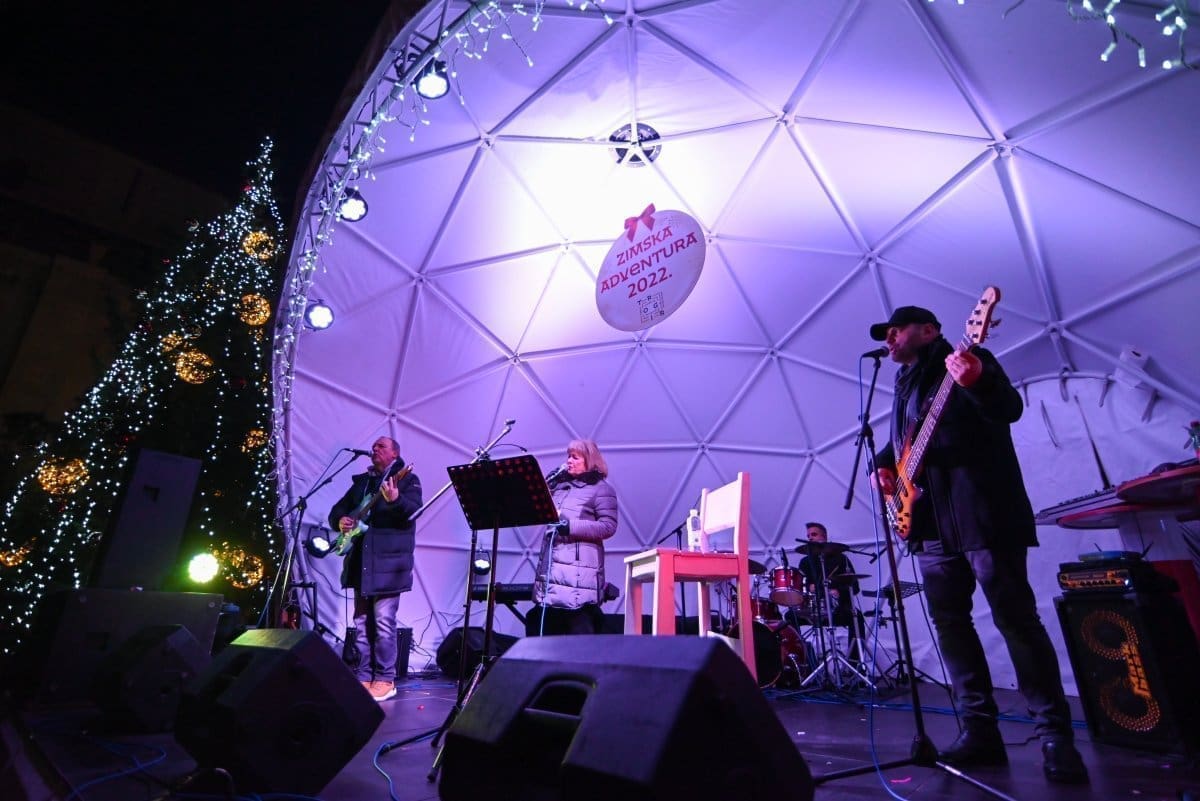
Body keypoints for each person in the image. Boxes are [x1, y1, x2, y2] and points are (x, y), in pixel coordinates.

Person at [869, 305, 1087, 784]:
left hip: (984, 515)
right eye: (886, 334)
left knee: (1016, 621)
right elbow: (903, 442)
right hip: (930, 527)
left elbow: (1007, 409)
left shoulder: (971, 359)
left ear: (929, 330)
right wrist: (883, 466)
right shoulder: (904, 386)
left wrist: (978, 381)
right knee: (952, 627)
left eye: (896, 330)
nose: (889, 339)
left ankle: (1055, 736)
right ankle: (979, 731)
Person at [328, 436, 422, 702]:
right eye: (374, 447)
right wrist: (341, 520)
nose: (375, 449)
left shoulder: (407, 480)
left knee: (383, 622)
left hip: (389, 565)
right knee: (361, 622)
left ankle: (384, 679)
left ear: (395, 454)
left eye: (382, 446)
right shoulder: (362, 483)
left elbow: (413, 512)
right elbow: (337, 511)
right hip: (362, 562)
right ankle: (364, 675)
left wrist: (395, 500)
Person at [529, 439, 618, 636]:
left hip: (579, 576)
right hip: (551, 572)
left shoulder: (601, 489)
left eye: (575, 457)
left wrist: (570, 527)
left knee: (578, 630)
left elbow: (608, 526)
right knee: (540, 628)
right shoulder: (559, 487)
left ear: (590, 460)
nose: (569, 461)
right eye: (568, 456)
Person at [793, 522, 866, 660]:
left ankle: (854, 663)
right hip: (813, 610)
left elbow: (855, 587)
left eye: (814, 534)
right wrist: (808, 587)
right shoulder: (805, 562)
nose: (810, 538)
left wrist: (839, 592)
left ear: (824, 537)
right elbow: (801, 587)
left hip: (838, 609)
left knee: (857, 617)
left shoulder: (841, 559)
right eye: (808, 536)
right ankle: (803, 661)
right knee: (790, 617)